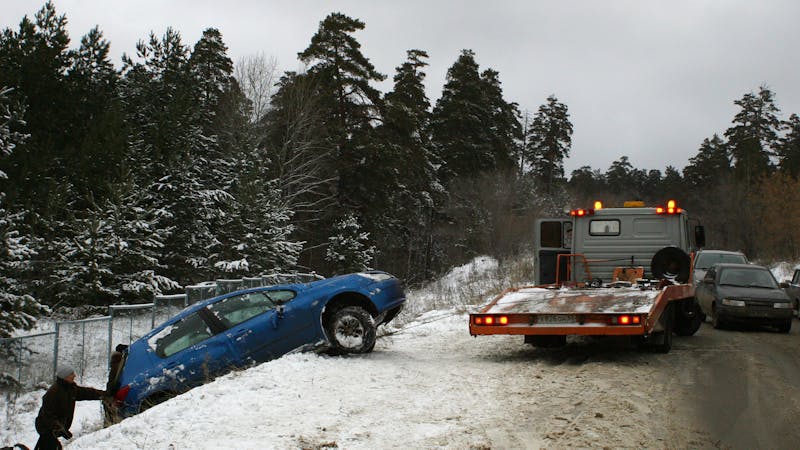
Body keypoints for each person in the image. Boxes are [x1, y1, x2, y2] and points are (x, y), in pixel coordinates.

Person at [34, 366, 106, 450]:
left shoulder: (70, 388)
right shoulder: (53, 392)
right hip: (47, 428)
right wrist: (60, 428)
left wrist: (104, 395)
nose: (74, 375)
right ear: (65, 376)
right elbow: (47, 415)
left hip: (53, 429)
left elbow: (85, 392)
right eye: (71, 374)